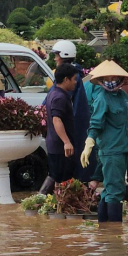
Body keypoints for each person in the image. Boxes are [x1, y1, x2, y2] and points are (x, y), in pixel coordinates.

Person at [80, 60, 128, 223]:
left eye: (114, 78)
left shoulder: (123, 96)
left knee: (109, 190)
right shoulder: (102, 98)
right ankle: (114, 231)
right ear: (101, 80)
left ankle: (104, 229)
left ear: (120, 78)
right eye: (107, 78)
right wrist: (89, 143)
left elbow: (124, 122)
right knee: (115, 191)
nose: (111, 81)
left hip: (123, 147)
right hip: (111, 150)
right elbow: (95, 123)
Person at [51, 40, 91, 183]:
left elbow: (59, 105)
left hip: (72, 127)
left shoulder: (70, 78)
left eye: (57, 55)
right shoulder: (73, 74)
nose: (55, 59)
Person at [39, 63, 78, 194]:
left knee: (57, 176)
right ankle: (43, 199)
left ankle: (48, 201)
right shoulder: (60, 97)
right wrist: (66, 142)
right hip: (60, 146)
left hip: (55, 144)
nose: (76, 82)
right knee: (61, 178)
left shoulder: (53, 93)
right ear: (66, 79)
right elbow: (57, 119)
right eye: (74, 79)